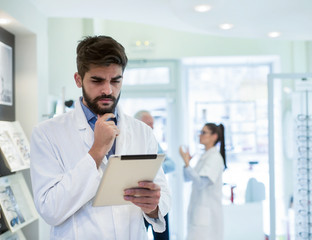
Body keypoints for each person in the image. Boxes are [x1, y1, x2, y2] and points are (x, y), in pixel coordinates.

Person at [30, 35, 171, 239]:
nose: (108, 90)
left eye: (116, 81)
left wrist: (153, 207)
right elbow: (50, 209)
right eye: (97, 80)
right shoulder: (47, 133)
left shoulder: (142, 132)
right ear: (78, 80)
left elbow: (163, 195)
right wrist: (96, 151)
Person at [179, 123, 226, 240]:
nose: (200, 135)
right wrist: (187, 165)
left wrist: (187, 164)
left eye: (204, 132)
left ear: (214, 136)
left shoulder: (214, 158)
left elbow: (201, 183)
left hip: (207, 215)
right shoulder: (205, 156)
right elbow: (187, 178)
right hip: (199, 212)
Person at [134, 110, 175, 240]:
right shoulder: (129, 143)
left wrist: (151, 168)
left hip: (157, 198)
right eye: (148, 124)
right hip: (137, 201)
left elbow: (171, 164)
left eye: (153, 124)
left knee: (162, 235)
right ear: (137, 124)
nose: (151, 127)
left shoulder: (153, 143)